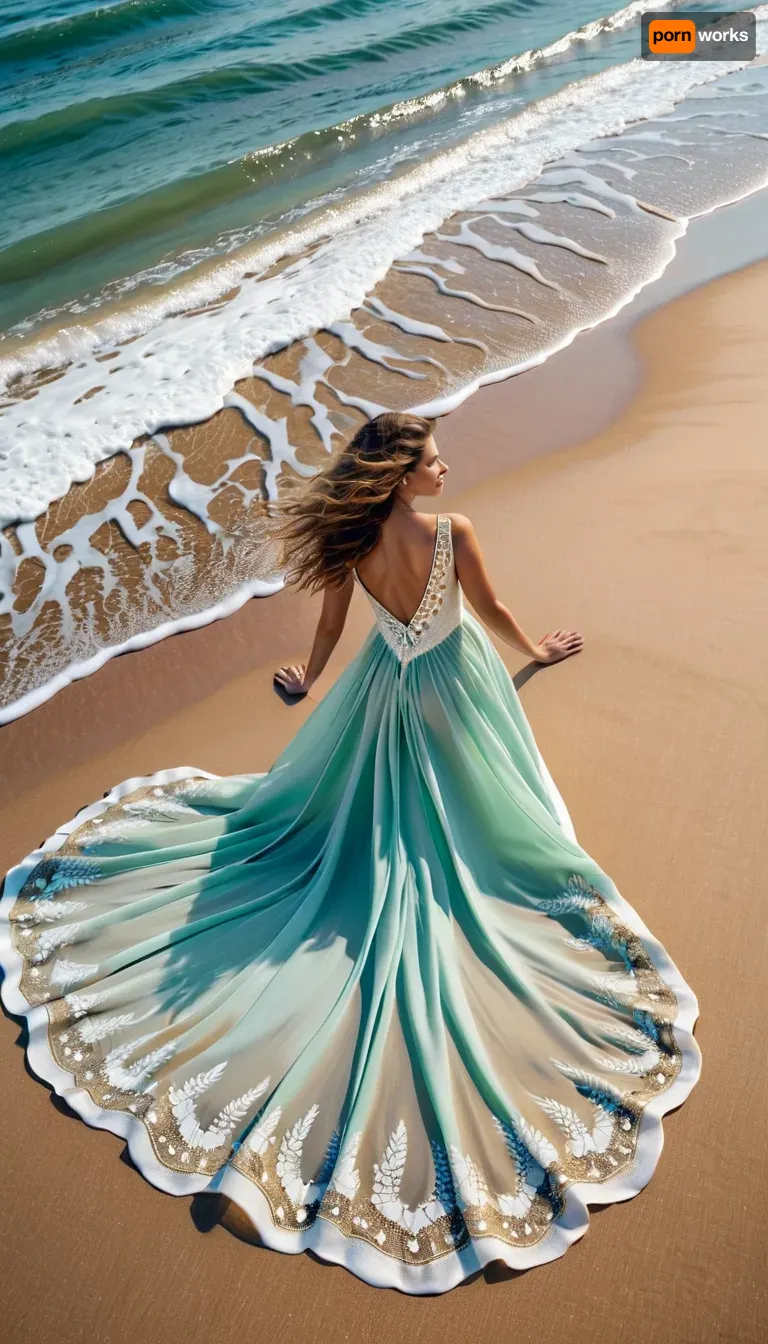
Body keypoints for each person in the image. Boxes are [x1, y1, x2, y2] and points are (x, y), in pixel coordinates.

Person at [0, 412, 700, 1295]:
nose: (446, 472)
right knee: (483, 819)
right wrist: (537, 650)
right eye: (434, 462)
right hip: (452, 687)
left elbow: (331, 634)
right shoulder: (453, 533)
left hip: (385, 691)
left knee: (352, 811)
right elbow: (488, 610)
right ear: (403, 476)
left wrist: (307, 680)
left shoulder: (354, 541)